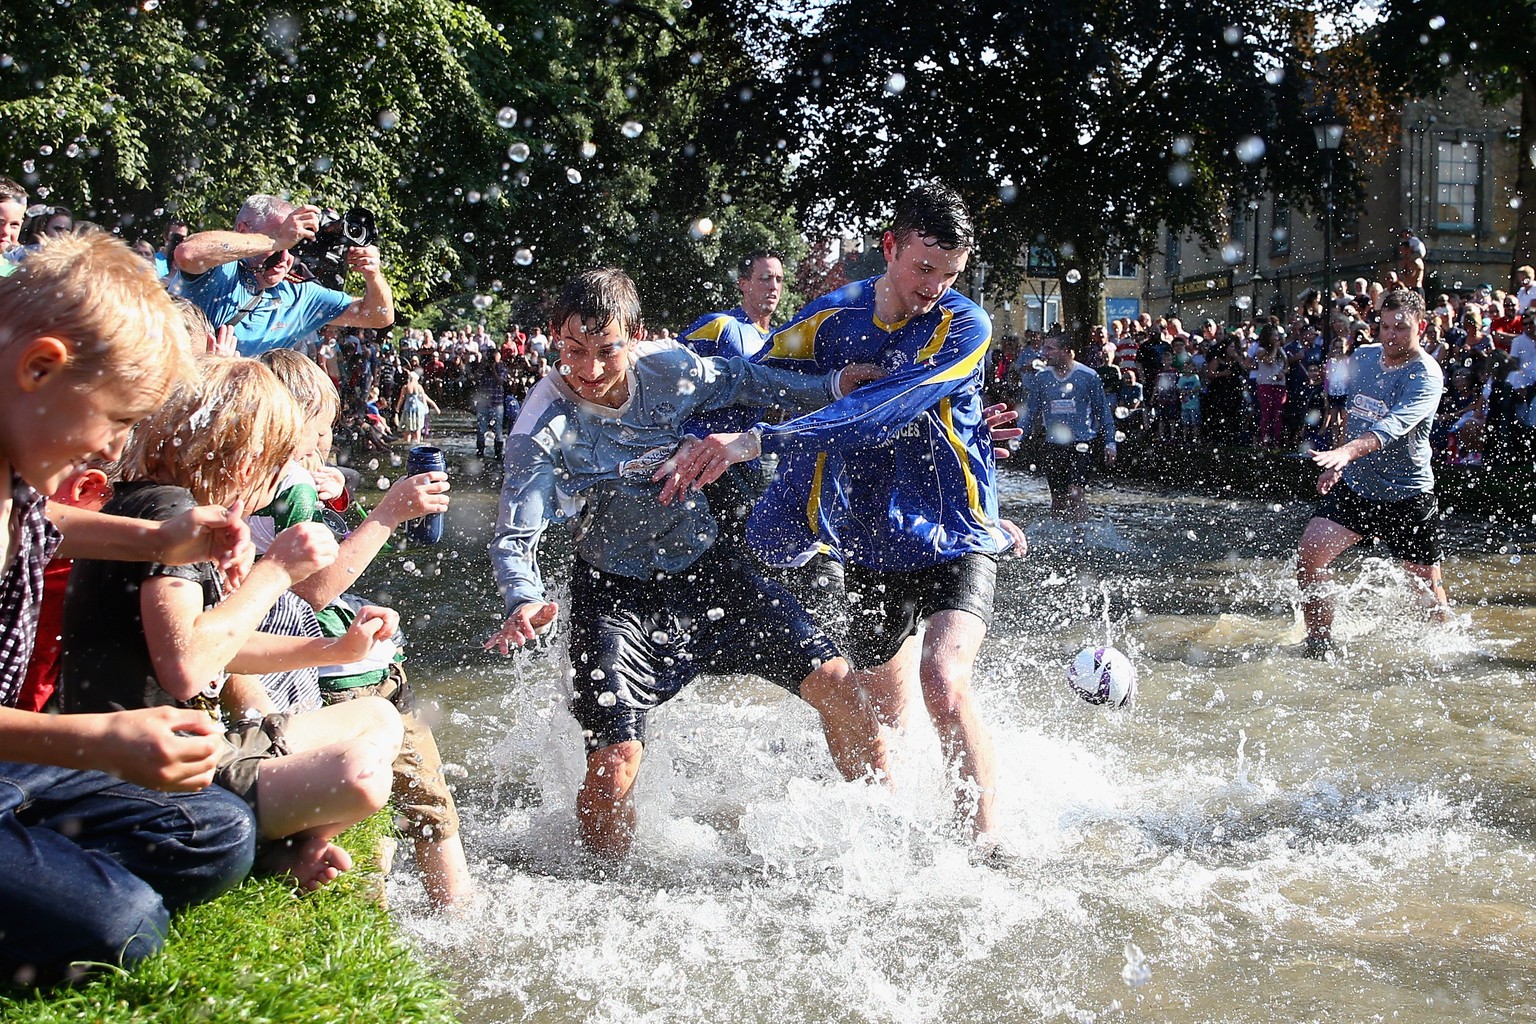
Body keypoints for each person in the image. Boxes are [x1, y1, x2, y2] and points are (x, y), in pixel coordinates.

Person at [485, 268, 886, 858]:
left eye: (607, 351)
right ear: (553, 339)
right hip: (613, 593)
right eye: (573, 352)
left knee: (836, 680)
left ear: (636, 336)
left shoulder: (672, 370)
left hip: (708, 567)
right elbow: (516, 530)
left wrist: (832, 386)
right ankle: (603, 891)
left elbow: (750, 382)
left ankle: (885, 837)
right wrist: (523, 597)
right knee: (615, 762)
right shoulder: (540, 427)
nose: (590, 371)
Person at [668, 183, 1018, 842]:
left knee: (942, 681)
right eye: (922, 268)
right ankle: (889, 838)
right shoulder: (832, 318)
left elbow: (879, 409)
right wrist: (685, 431)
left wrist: (756, 441)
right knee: (886, 719)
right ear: (889, 248)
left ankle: (986, 848)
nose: (933, 287)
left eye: (948, 275)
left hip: (958, 535)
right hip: (869, 544)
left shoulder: (964, 324)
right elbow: (754, 378)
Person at [0, 230, 258, 984]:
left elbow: (45, 529)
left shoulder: (16, 468)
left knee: (218, 829)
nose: (116, 452)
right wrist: (101, 738)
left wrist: (161, 536)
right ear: (40, 367)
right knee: (123, 924)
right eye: (116, 419)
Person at [1297, 288, 1448, 659]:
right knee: (1309, 557)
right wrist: (1342, 462)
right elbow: (1355, 414)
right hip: (1357, 486)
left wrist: (1345, 452)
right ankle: (1319, 641)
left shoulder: (1426, 375)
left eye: (1401, 328)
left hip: (1407, 496)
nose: (1391, 336)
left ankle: (1446, 648)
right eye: (1385, 327)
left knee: (1425, 589)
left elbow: (1392, 426)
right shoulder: (1363, 358)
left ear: (1421, 327)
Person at [171, 194, 394, 356]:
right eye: (282, 238)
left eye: (294, 244)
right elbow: (187, 253)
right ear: (242, 230)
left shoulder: (300, 295)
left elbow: (378, 316)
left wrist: (373, 276)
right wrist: (274, 240)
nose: (285, 256)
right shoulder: (220, 270)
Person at [1017, 331, 1117, 520]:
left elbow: (1102, 412)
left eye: (1050, 349)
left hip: (1082, 443)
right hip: (1054, 445)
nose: (1044, 353)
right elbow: (1030, 413)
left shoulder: (1088, 376)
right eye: (1044, 348)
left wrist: (1110, 442)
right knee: (1058, 497)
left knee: (1076, 491)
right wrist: (1017, 437)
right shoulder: (1041, 378)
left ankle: (1080, 540)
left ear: (1066, 351)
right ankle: (1058, 541)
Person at [396, 369, 438, 445]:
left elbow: (401, 399)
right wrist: (426, 408)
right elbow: (423, 398)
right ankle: (417, 442)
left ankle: (406, 443)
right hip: (418, 408)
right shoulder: (419, 387)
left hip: (408, 408)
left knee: (407, 427)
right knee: (418, 427)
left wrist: (397, 409)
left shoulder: (405, 387)